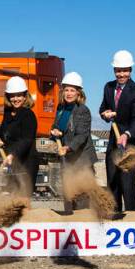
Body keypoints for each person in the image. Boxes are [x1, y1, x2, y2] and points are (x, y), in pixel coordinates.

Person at [99, 49, 135, 212]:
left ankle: (132, 214)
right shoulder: (108, 87)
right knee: (112, 179)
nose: (121, 74)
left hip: (132, 142)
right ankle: (115, 213)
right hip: (114, 141)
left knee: (127, 180)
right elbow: (103, 108)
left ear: (130, 70)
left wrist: (127, 134)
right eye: (119, 70)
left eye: (125, 70)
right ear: (114, 70)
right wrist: (105, 114)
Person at [51, 72, 97, 214]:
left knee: (82, 198)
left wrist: (68, 147)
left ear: (79, 93)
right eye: (66, 90)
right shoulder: (61, 109)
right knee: (69, 196)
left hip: (81, 160)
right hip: (68, 160)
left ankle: (83, 229)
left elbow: (82, 135)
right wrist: (54, 133)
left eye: (73, 90)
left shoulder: (82, 110)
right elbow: (56, 127)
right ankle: (69, 225)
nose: (69, 93)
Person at [0, 76, 38, 196]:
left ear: (25, 96)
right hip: (11, 161)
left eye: (19, 95)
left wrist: (13, 154)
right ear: (8, 96)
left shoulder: (29, 115)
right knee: (12, 194)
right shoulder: (7, 113)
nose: (16, 99)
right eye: (12, 95)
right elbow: (5, 134)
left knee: (22, 197)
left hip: (26, 163)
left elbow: (26, 140)